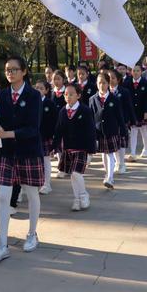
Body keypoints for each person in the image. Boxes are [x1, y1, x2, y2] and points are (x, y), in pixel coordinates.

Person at [0, 56, 44, 262]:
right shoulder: (0, 95)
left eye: (14, 69)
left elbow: (33, 128)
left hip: (28, 151)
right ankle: (2, 244)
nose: (10, 73)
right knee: (3, 197)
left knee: (31, 193)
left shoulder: (33, 95)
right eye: (7, 70)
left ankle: (32, 234)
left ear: (24, 71)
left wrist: (8, 134)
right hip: (7, 154)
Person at [53, 83, 96, 211]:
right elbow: (58, 130)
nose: (68, 97)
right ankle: (76, 199)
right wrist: (55, 146)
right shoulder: (62, 111)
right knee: (72, 174)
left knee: (77, 173)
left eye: (71, 94)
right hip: (68, 148)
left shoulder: (85, 110)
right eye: (66, 94)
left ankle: (83, 195)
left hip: (82, 148)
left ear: (78, 95)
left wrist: (91, 151)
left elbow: (91, 131)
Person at [89, 72, 126, 188]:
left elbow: (120, 115)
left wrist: (123, 129)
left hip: (112, 130)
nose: (101, 85)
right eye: (99, 83)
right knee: (104, 155)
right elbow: (90, 116)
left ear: (108, 83)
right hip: (99, 131)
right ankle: (107, 174)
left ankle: (110, 178)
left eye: (104, 83)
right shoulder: (92, 99)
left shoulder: (114, 98)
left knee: (109, 153)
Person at [34, 79, 58, 194]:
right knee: (36, 161)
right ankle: (37, 182)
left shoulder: (49, 103)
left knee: (46, 160)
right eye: (37, 88)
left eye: (41, 88)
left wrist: (51, 136)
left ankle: (46, 184)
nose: (38, 90)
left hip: (45, 137)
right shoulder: (32, 102)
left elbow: (54, 121)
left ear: (46, 90)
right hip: (34, 136)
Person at [109, 69, 136, 173]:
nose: (110, 80)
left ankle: (122, 164)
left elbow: (129, 107)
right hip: (110, 122)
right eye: (109, 78)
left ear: (118, 79)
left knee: (121, 143)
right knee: (114, 144)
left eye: (113, 78)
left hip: (122, 121)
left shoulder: (124, 91)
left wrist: (132, 121)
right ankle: (117, 162)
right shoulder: (105, 92)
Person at [124, 65, 147, 159]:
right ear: (131, 72)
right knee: (133, 131)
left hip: (142, 111)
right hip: (132, 112)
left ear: (141, 72)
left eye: (138, 70)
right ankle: (133, 152)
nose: (135, 72)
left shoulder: (146, 83)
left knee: (143, 130)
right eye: (133, 70)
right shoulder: (127, 83)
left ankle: (146, 148)